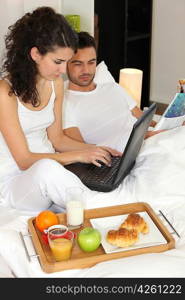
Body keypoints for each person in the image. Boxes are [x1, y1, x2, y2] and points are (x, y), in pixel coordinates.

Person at [0, 7, 121, 212]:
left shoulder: (54, 84)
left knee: (61, 174)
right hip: (16, 184)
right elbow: (24, 160)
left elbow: (57, 139)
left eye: (67, 62)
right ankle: (106, 211)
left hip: (52, 171)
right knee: (48, 170)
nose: (63, 70)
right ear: (35, 54)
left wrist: (92, 149)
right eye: (58, 61)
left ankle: (103, 205)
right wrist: (78, 156)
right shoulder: (5, 93)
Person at [63, 31, 160, 152]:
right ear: (65, 64)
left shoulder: (113, 88)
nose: (86, 70)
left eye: (91, 62)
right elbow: (81, 150)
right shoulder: (64, 102)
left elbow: (144, 120)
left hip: (148, 142)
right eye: (78, 64)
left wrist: (169, 127)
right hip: (122, 155)